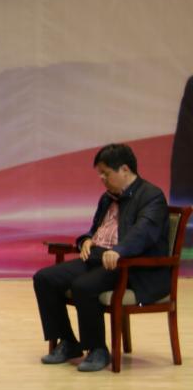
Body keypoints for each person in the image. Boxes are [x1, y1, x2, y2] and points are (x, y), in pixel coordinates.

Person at [33, 143, 170, 372]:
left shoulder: (151, 196)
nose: (102, 179)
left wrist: (120, 250)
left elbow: (143, 232)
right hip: (99, 258)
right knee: (45, 278)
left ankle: (97, 349)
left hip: (129, 266)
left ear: (124, 169)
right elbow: (96, 230)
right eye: (100, 174)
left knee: (83, 286)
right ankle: (68, 342)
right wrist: (86, 240)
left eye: (106, 173)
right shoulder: (107, 198)